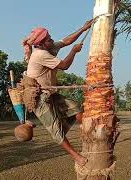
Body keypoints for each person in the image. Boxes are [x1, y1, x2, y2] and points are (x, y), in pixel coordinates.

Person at [22, 19, 93, 166]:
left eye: (50, 37)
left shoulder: (48, 47)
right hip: (39, 98)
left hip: (51, 93)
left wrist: (83, 28)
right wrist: (74, 51)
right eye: (48, 39)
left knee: (77, 110)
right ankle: (76, 157)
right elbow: (65, 65)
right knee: (55, 129)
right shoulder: (40, 54)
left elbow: (66, 41)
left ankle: (86, 137)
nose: (51, 39)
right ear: (40, 44)